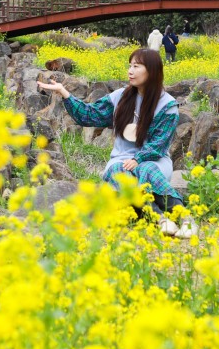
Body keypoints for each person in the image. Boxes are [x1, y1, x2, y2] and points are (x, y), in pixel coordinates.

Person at [37, 49, 197, 238]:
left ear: (152, 71)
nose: (130, 71)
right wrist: (64, 93)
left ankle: (187, 220)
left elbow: (159, 144)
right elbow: (89, 115)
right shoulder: (120, 97)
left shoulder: (167, 106)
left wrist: (138, 159)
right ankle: (161, 219)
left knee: (144, 170)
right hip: (121, 161)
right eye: (130, 66)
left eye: (136, 67)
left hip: (154, 160)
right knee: (117, 171)